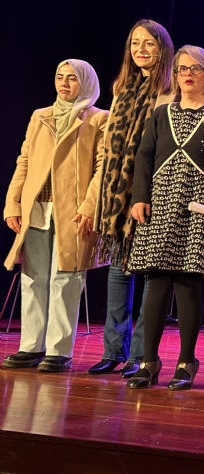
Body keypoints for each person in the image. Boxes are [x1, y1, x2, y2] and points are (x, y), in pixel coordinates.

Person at [125, 45, 204, 390]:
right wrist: (139, 197)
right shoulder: (162, 113)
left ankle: (187, 360)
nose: (187, 74)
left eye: (195, 69)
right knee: (156, 283)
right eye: (180, 69)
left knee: (188, 284)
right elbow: (144, 156)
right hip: (161, 204)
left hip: (198, 208)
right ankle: (149, 360)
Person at [3, 60, 108, 372]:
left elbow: (103, 167)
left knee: (67, 276)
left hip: (71, 210)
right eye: (60, 78)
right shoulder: (41, 116)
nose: (64, 84)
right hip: (36, 207)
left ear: (86, 82)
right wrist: (12, 203)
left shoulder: (98, 119)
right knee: (33, 277)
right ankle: (30, 346)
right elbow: (24, 159)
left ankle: (59, 351)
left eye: (72, 79)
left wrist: (89, 206)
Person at [88, 19, 174, 377]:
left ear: (163, 48)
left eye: (149, 43)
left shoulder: (168, 91)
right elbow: (110, 152)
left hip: (150, 192)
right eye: (135, 42)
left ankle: (141, 352)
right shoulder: (122, 89)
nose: (141, 49)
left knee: (151, 276)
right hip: (117, 197)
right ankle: (113, 351)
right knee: (119, 272)